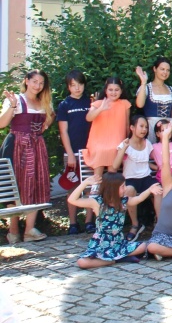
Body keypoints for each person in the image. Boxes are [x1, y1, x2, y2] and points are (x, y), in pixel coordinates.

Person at [1, 70, 55, 243]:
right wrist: (12, 106)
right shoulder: (16, 99)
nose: (38, 86)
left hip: (36, 146)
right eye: (35, 82)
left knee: (36, 184)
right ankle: (14, 230)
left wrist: (45, 124)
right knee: (14, 184)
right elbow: (2, 123)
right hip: (16, 144)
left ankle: (30, 229)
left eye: (41, 83)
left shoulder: (43, 101)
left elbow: (51, 116)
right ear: (26, 81)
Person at [68, 172, 158, 268]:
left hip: (118, 243)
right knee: (82, 262)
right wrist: (84, 183)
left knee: (143, 246)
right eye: (122, 186)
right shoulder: (98, 203)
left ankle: (117, 257)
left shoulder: (123, 201)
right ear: (112, 189)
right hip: (101, 245)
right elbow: (72, 200)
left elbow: (138, 198)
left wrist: (150, 190)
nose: (126, 188)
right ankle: (115, 260)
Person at [57, 69, 93, 235]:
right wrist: (70, 153)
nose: (77, 88)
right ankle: (73, 223)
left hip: (90, 152)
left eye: (80, 85)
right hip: (72, 154)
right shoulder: (64, 105)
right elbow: (63, 132)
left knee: (90, 187)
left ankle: (88, 222)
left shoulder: (90, 102)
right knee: (72, 187)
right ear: (68, 87)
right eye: (73, 85)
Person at [113, 115, 160, 241]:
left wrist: (156, 167)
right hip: (130, 178)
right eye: (141, 126)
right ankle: (135, 224)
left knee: (158, 189)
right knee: (129, 191)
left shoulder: (147, 143)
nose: (144, 129)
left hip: (146, 177)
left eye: (146, 127)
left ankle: (160, 224)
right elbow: (115, 166)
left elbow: (144, 161)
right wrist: (123, 150)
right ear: (132, 127)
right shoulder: (125, 144)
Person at [84, 76, 131, 175]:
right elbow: (88, 118)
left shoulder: (125, 104)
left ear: (121, 91)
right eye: (110, 89)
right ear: (105, 90)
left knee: (113, 166)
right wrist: (100, 109)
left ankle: (111, 188)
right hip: (98, 142)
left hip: (117, 142)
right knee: (100, 153)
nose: (113, 92)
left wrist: (127, 140)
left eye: (116, 90)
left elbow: (127, 125)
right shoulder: (98, 103)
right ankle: (95, 188)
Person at [134, 58, 172, 142]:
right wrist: (143, 82)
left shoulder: (171, 89)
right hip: (151, 127)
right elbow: (139, 104)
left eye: (168, 70)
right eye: (162, 69)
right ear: (155, 69)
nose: (165, 72)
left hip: (168, 127)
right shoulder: (146, 87)